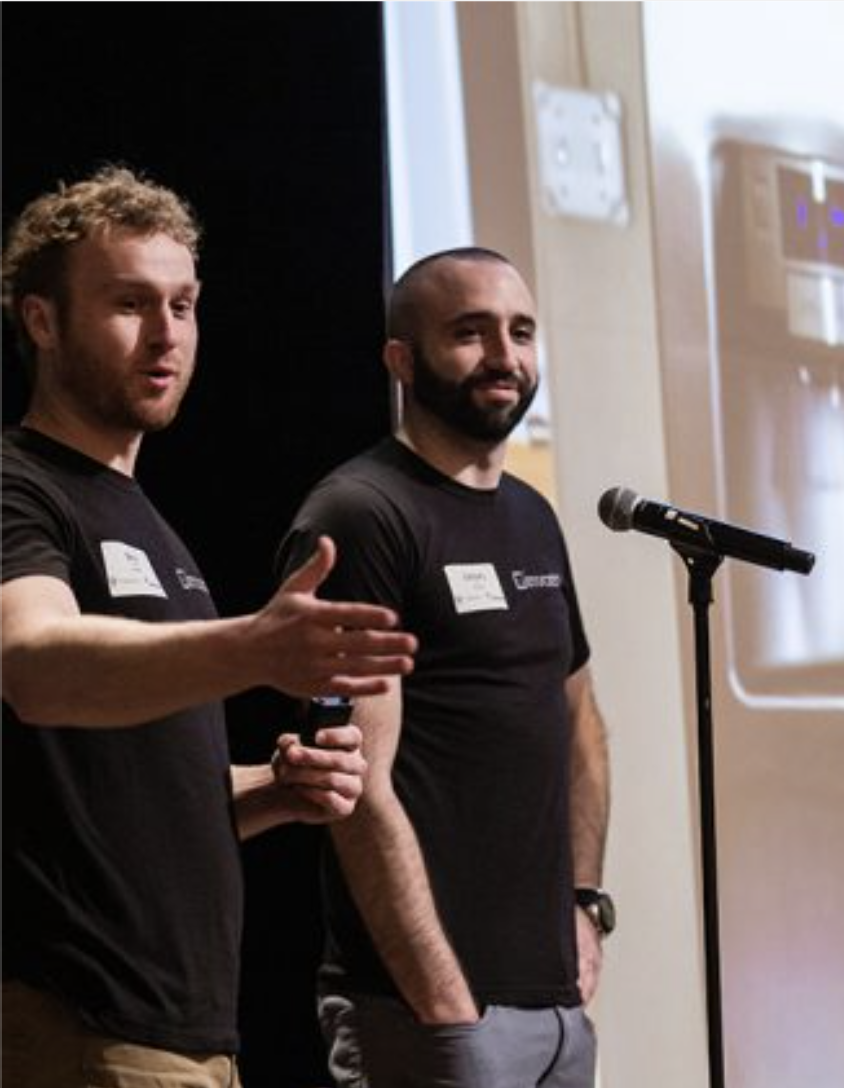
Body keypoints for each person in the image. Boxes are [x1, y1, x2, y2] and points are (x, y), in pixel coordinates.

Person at [1, 165, 418, 1088]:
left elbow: (129, 799)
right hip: (84, 1024)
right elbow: (33, 666)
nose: (166, 335)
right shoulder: (18, 489)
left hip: (187, 1033)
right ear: (40, 321)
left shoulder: (146, 519)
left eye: (184, 305)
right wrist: (254, 646)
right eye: (130, 304)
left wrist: (277, 787)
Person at [277, 247, 613, 1088]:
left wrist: (584, 904)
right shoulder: (362, 515)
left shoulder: (533, 516)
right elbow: (358, 782)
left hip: (555, 1010)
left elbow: (579, 722)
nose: (504, 356)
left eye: (521, 332)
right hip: (424, 1012)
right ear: (402, 360)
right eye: (470, 332)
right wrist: (440, 995)